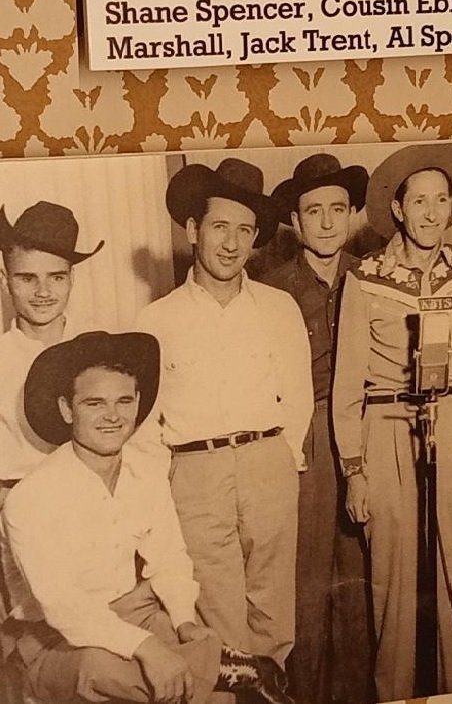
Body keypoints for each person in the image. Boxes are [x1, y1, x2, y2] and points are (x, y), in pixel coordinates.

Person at [2, 330, 293, 704]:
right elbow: (63, 607)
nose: (112, 416)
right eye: (94, 403)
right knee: (99, 669)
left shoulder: (146, 473)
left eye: (124, 401)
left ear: (138, 403)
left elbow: (169, 557)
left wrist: (184, 622)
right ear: (66, 409)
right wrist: (148, 648)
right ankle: (233, 669)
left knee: (197, 656)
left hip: (132, 612)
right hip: (49, 638)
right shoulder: (32, 496)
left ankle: (219, 667)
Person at [134, 158, 314, 667]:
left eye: (244, 230)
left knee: (274, 608)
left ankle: (275, 690)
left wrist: (281, 458)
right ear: (193, 229)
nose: (231, 244)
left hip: (268, 464)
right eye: (219, 228)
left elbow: (296, 397)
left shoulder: (279, 308)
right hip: (195, 473)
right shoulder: (156, 320)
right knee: (217, 610)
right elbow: (146, 428)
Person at [331, 142, 452, 700]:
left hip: (450, 422)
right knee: (393, 585)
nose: (431, 212)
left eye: (441, 200)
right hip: (386, 429)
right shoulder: (367, 277)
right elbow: (347, 383)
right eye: (418, 201)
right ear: (397, 209)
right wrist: (355, 470)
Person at [263, 153, 374, 703]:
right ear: (296, 220)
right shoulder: (272, 286)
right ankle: (303, 693)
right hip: (303, 435)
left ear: (353, 213)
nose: (327, 222)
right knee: (306, 576)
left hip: (367, 433)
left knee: (361, 574)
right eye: (313, 211)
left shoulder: (375, 276)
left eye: (337, 209)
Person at [0, 202, 103, 508]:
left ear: (73, 279)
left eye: (56, 277)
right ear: (5, 281)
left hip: (91, 504)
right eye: (27, 278)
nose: (43, 291)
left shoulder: (100, 350)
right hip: (18, 506)